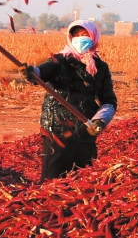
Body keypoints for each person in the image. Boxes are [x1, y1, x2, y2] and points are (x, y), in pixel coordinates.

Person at [23, 20, 117, 181]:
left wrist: (99, 121)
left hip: (85, 133)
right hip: (57, 131)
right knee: (51, 183)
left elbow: (109, 101)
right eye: (76, 35)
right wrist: (31, 72)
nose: (80, 39)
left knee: (83, 184)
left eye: (85, 35)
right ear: (70, 37)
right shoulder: (59, 60)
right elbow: (41, 72)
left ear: (93, 36)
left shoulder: (100, 67)